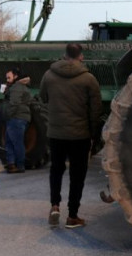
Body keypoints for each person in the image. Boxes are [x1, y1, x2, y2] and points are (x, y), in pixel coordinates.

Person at [39, 43, 101, 228]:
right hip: (79, 135)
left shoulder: (49, 75)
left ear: (64, 55)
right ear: (81, 57)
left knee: (56, 170)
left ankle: (55, 205)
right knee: (77, 175)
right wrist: (94, 135)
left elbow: (42, 98)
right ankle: (73, 216)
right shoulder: (88, 79)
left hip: (56, 133)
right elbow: (95, 111)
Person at [1, 68, 32, 174]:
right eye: (6, 78)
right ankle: (11, 163)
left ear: (16, 76)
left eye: (9, 77)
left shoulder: (17, 87)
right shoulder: (17, 87)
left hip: (16, 118)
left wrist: (8, 115)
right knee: (10, 142)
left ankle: (19, 165)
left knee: (17, 143)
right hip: (16, 118)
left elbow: (14, 104)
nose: (7, 80)